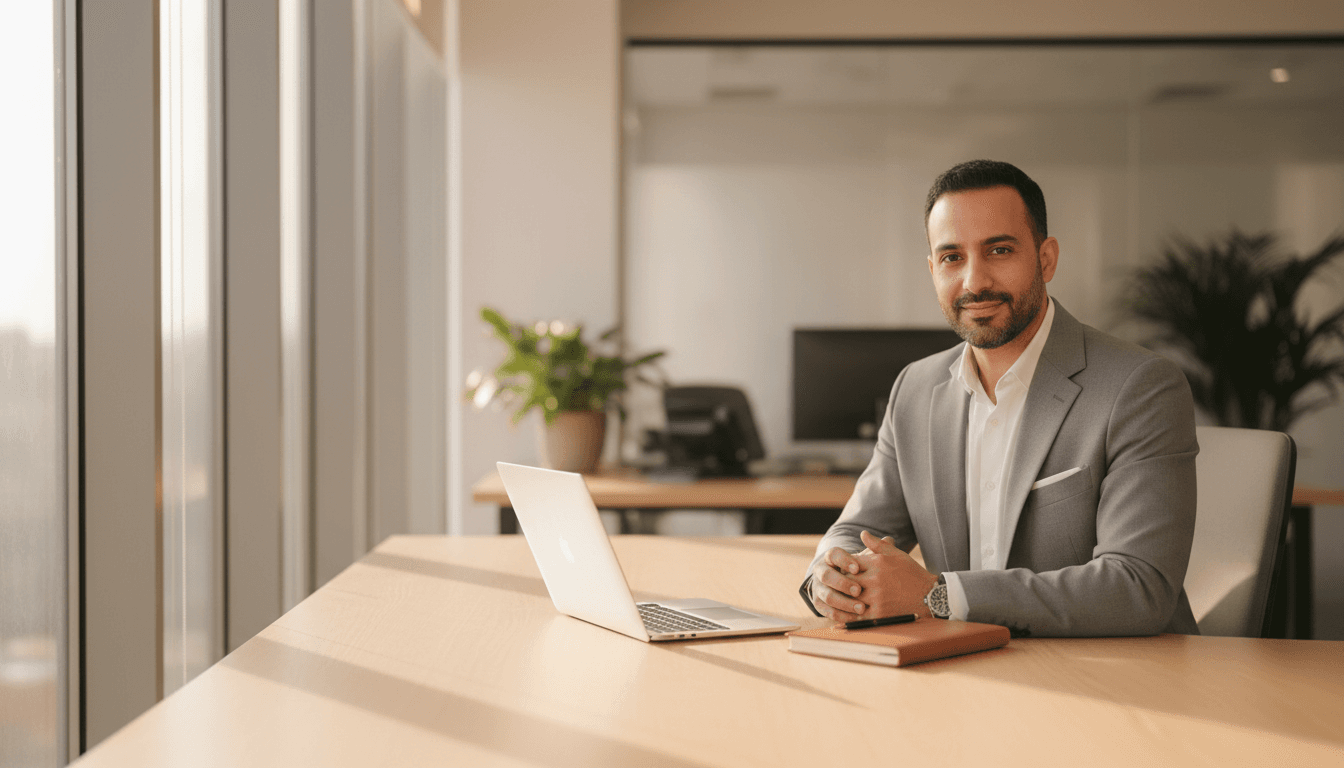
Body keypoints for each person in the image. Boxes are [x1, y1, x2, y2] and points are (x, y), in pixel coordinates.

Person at [801, 160, 1200, 637]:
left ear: (1046, 258)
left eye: (1000, 250)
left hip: (1123, 683)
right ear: (932, 269)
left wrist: (938, 596)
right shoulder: (915, 389)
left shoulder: (1140, 388)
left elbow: (1139, 588)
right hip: (968, 670)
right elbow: (856, 529)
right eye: (952, 257)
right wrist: (830, 575)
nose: (974, 282)